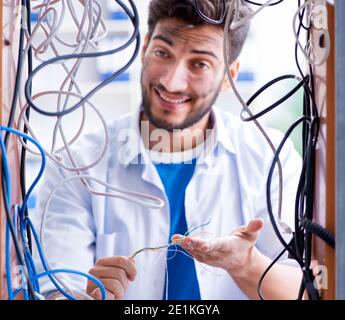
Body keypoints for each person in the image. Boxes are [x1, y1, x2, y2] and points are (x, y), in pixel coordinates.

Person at [34, 0, 303, 300]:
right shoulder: (76, 165)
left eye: (199, 64)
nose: (171, 82)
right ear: (145, 48)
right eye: (163, 53)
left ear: (229, 76)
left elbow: (303, 292)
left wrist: (245, 264)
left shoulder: (271, 158)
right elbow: (54, 289)